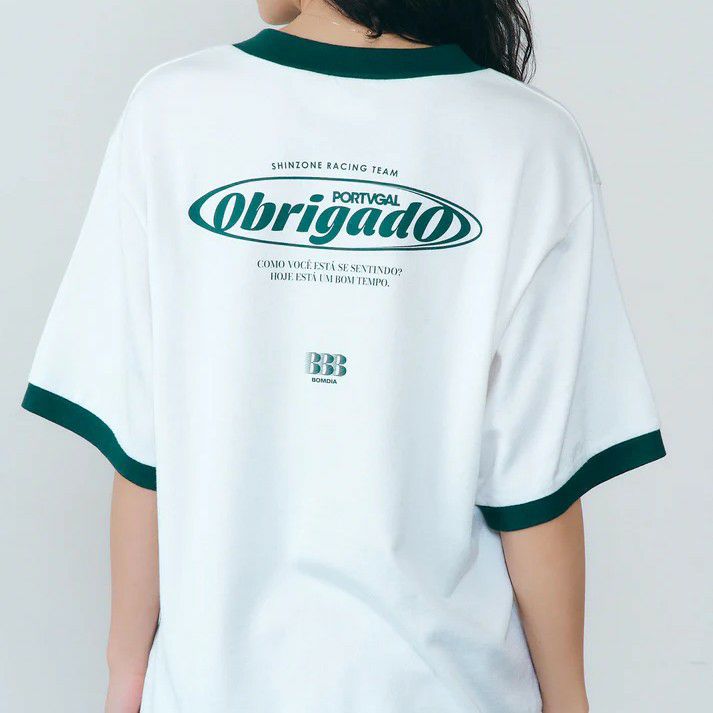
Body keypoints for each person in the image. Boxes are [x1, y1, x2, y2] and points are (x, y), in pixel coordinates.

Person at [22, 1, 666, 712]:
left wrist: (126, 678)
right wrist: (569, 698)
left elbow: (143, 451)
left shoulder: (172, 110)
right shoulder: (529, 139)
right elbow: (534, 483)